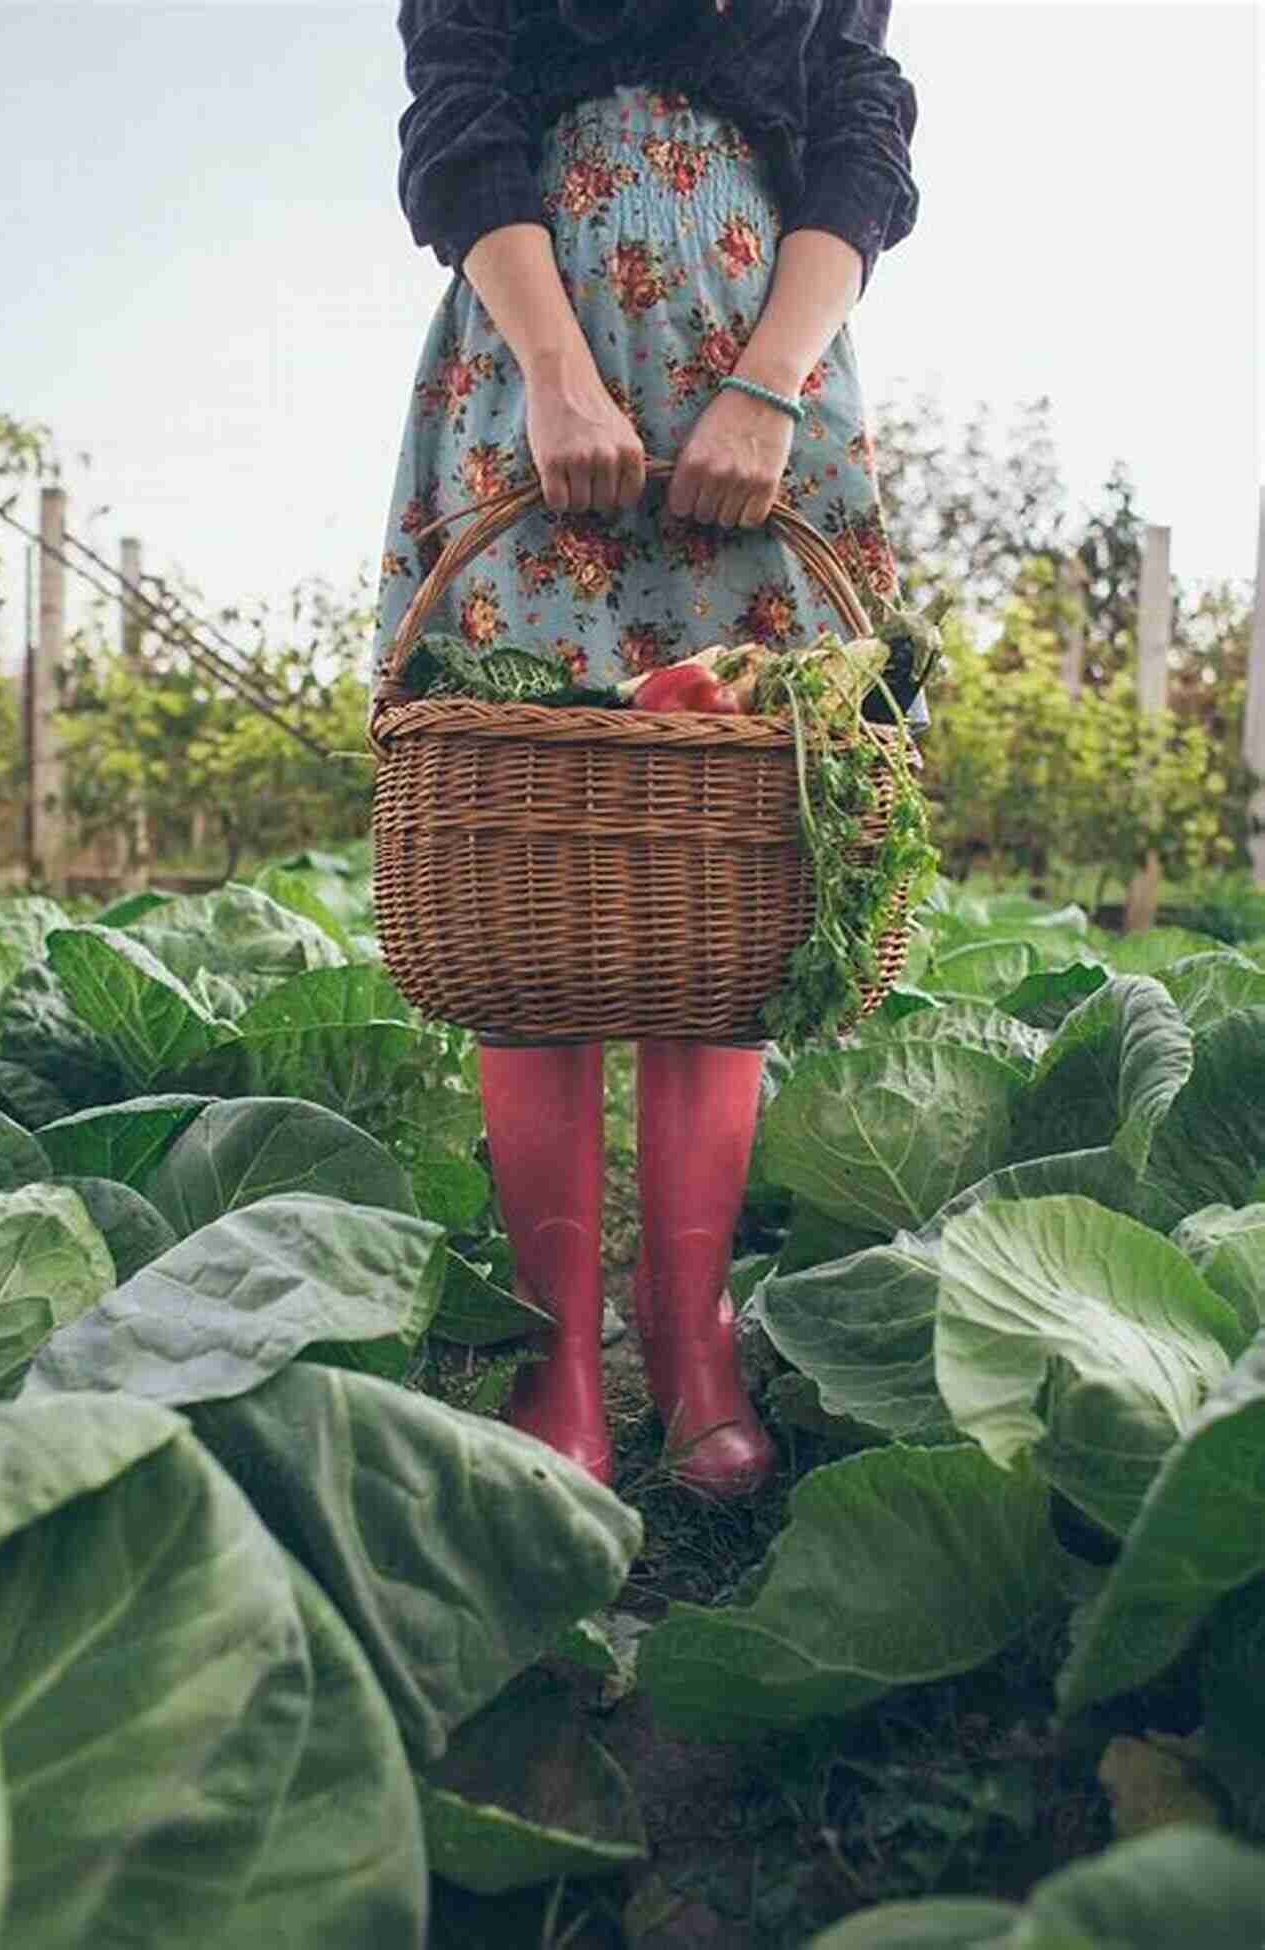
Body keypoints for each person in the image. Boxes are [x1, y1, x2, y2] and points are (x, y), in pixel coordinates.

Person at [371, 0, 923, 1497]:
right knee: (526, 838)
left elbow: (861, 126)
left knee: (731, 858)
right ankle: (563, 1350)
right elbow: (458, 108)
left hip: (758, 337)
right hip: (537, 329)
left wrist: (769, 386)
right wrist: (554, 369)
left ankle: (691, 1336)